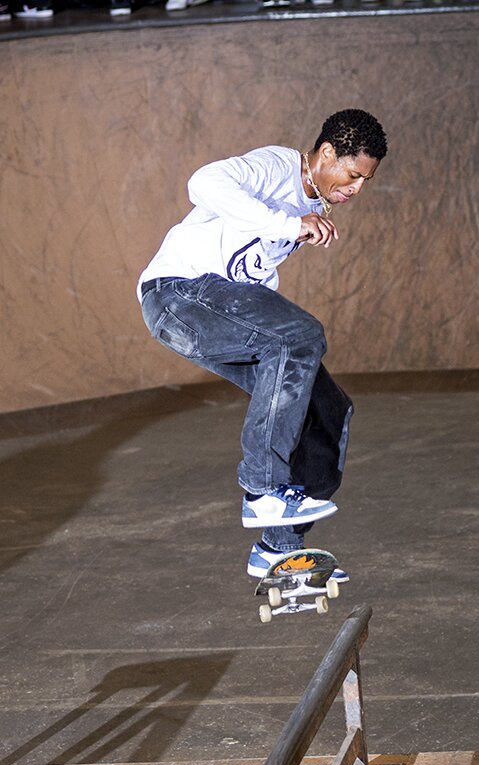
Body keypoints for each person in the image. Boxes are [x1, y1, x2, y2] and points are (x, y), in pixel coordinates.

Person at [138, 108, 387, 583]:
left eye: (365, 182)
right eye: (352, 175)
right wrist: (289, 225)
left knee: (326, 409)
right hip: (178, 294)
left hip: (218, 309)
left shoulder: (313, 203)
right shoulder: (277, 168)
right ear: (327, 153)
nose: (356, 189)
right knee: (301, 335)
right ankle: (263, 489)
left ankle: (278, 549)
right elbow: (203, 183)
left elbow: (250, 273)